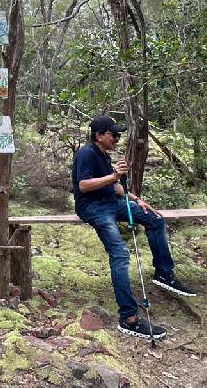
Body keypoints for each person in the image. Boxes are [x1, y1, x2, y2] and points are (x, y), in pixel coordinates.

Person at [71, 115, 196, 339]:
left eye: (119, 135)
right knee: (120, 255)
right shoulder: (86, 153)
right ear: (99, 136)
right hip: (94, 208)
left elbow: (115, 186)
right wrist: (113, 176)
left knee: (155, 219)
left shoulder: (103, 154)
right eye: (114, 134)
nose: (118, 139)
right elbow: (83, 185)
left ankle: (164, 273)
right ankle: (128, 318)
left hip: (112, 203)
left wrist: (136, 199)